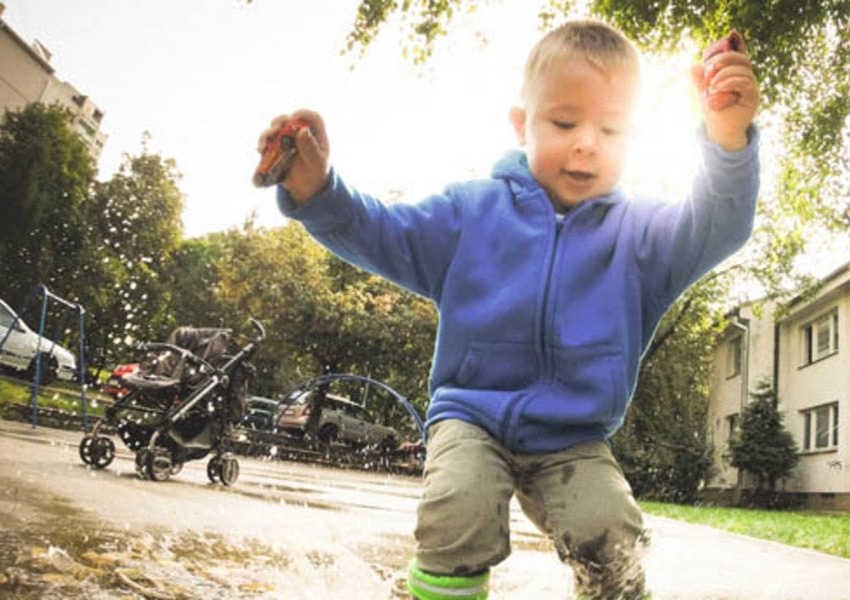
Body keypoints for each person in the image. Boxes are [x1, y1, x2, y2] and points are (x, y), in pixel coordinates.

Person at [260, 19, 760, 600]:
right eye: (564, 122)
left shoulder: (644, 239)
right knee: (459, 512)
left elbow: (719, 224)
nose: (586, 142)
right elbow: (380, 233)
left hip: (574, 436)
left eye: (611, 129)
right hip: (472, 417)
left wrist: (727, 140)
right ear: (523, 125)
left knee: (612, 537)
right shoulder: (471, 212)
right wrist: (318, 190)